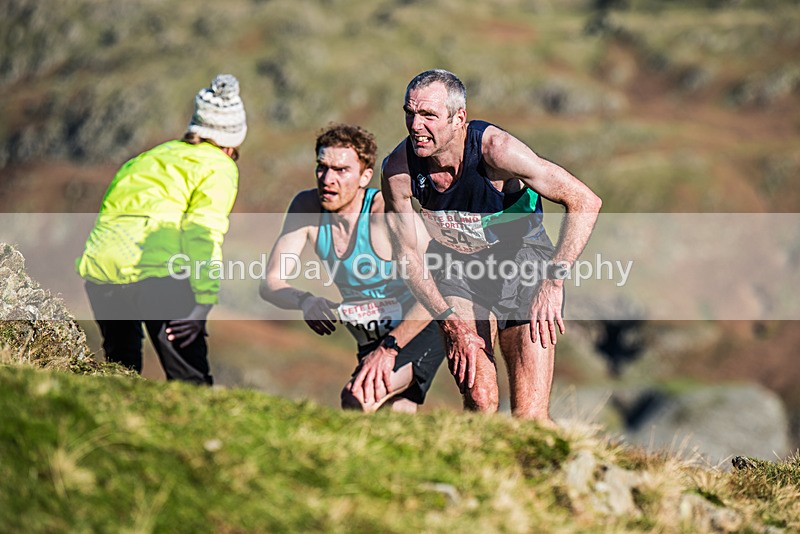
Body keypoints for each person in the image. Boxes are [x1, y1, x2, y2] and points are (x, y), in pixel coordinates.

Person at [381, 69, 602, 424]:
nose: (415, 125)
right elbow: (408, 255)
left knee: (529, 417)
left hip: (523, 267)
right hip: (457, 272)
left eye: (428, 116)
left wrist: (553, 281)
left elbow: (584, 201)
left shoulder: (497, 152)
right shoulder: (399, 170)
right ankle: (479, 477)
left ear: (459, 118)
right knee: (481, 399)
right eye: (409, 112)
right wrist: (448, 322)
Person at [260, 123, 445, 413]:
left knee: (356, 398)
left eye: (341, 170)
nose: (327, 179)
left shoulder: (386, 212)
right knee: (395, 414)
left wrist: (390, 348)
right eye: (322, 167)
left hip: (420, 325)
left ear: (364, 176)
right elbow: (271, 282)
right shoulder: (306, 207)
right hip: (370, 337)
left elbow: (439, 285)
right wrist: (305, 301)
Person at [76, 74, 247, 385]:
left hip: (101, 269)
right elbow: (202, 231)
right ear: (231, 143)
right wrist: (204, 300)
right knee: (189, 378)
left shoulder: (150, 156)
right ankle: (201, 433)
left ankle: (114, 431)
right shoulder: (219, 166)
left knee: (120, 369)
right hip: (156, 271)